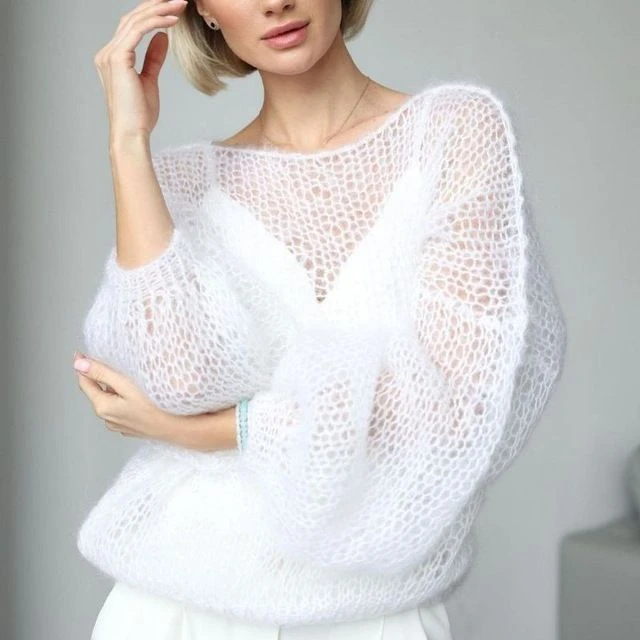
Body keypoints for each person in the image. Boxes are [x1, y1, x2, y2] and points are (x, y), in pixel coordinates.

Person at [73, 0, 567, 638]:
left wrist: (202, 432)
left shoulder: (453, 133)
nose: (273, 2)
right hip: (174, 603)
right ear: (206, 13)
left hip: (372, 609)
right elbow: (177, 379)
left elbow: (451, 409)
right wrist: (127, 142)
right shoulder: (180, 183)